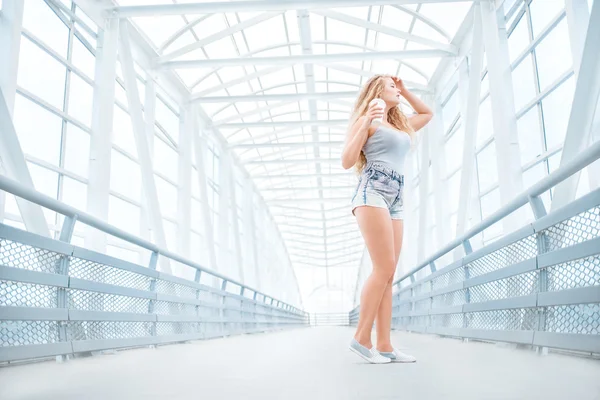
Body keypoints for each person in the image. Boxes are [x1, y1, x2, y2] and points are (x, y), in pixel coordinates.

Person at [341, 75, 433, 364]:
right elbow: (347, 161)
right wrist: (367, 119)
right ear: (376, 91)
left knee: (389, 274)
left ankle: (385, 345)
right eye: (391, 86)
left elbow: (427, 113)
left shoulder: (402, 124)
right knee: (383, 267)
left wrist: (405, 90)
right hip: (373, 191)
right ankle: (361, 338)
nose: (396, 89)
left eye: (397, 87)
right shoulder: (369, 120)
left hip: (396, 197)